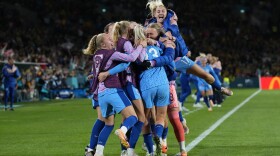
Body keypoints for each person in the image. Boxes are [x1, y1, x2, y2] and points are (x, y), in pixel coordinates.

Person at [83, 32, 146, 156]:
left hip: (101, 94)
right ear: (103, 44)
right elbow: (132, 58)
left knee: (108, 124)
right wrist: (140, 46)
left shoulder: (96, 55)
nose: (112, 40)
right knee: (133, 117)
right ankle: (122, 131)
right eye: (109, 39)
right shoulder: (111, 53)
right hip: (112, 89)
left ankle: (98, 152)